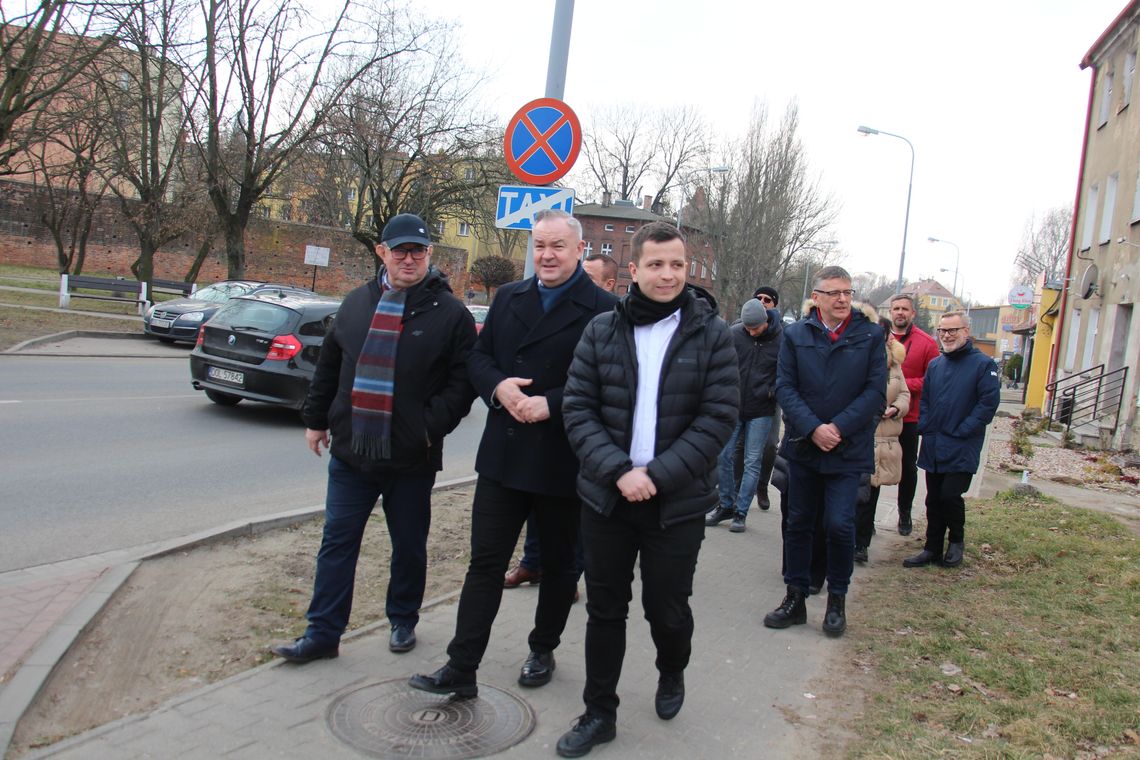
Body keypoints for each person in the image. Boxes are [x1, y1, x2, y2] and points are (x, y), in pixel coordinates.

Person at [409, 209, 617, 698]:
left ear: (579, 250)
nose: (546, 255)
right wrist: (499, 387)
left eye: (558, 246)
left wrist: (553, 403)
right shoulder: (509, 298)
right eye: (539, 245)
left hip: (564, 458)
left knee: (561, 567)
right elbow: (478, 359)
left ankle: (542, 649)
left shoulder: (604, 310)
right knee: (485, 563)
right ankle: (461, 668)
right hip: (504, 455)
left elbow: (610, 383)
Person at [556, 221, 737, 757]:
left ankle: (671, 669)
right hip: (608, 496)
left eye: (676, 264)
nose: (667, 274)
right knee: (605, 609)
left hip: (676, 502)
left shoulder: (713, 335)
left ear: (689, 269)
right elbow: (578, 408)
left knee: (668, 608)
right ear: (634, 270)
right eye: (655, 264)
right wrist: (619, 471)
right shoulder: (601, 331)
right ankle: (598, 713)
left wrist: (655, 476)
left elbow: (717, 418)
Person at [271, 213, 477, 664]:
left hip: (412, 458)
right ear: (382, 253)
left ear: (429, 256)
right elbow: (330, 365)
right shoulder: (356, 303)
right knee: (337, 541)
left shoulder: (450, 314)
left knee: (408, 544)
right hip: (352, 453)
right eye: (399, 250)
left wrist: (427, 427)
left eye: (417, 251)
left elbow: (462, 385)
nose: (409, 258)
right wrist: (316, 419)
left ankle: (403, 619)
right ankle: (323, 633)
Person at [763, 266, 885, 638]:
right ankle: (795, 597)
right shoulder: (797, 335)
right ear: (816, 297)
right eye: (834, 293)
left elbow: (875, 393)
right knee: (798, 523)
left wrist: (837, 428)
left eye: (847, 292)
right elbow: (785, 387)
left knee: (839, 524)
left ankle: (837, 601)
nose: (843, 299)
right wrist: (814, 428)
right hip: (805, 447)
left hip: (848, 451)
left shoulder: (870, 335)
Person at [503, 251, 618, 591]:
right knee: (540, 506)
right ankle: (532, 563)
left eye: (591, 280)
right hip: (547, 429)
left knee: (578, 515)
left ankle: (570, 576)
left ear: (609, 285)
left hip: (587, 436)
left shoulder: (610, 315)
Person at [903, 311, 1000, 569]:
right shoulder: (936, 364)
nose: (947, 335)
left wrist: (964, 428)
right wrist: (927, 425)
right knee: (933, 498)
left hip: (962, 444)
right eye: (942, 331)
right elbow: (926, 400)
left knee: (950, 495)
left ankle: (956, 542)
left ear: (966, 332)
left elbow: (987, 404)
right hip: (935, 442)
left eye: (953, 330)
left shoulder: (983, 365)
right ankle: (931, 548)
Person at [706, 297, 782, 533]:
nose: (751, 332)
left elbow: (787, 373)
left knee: (752, 460)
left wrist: (772, 391)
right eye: (747, 328)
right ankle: (726, 503)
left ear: (766, 321)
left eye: (756, 328)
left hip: (762, 409)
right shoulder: (735, 334)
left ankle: (741, 511)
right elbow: (720, 363)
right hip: (734, 405)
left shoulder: (783, 339)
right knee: (723, 455)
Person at [854, 313, 911, 564]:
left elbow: (905, 395)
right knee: (854, 492)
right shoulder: (857, 357)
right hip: (860, 433)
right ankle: (848, 538)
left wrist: (896, 408)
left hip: (883, 436)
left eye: (884, 333)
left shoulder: (895, 366)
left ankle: (861, 543)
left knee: (871, 492)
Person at [888, 294, 940, 536]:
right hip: (879, 417)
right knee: (873, 465)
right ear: (890, 312)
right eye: (896, 308)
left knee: (908, 468)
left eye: (905, 309)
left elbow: (933, 379)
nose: (900, 313)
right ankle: (864, 521)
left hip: (909, 417)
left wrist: (902, 385)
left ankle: (904, 513)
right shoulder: (878, 337)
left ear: (913, 314)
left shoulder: (927, 343)